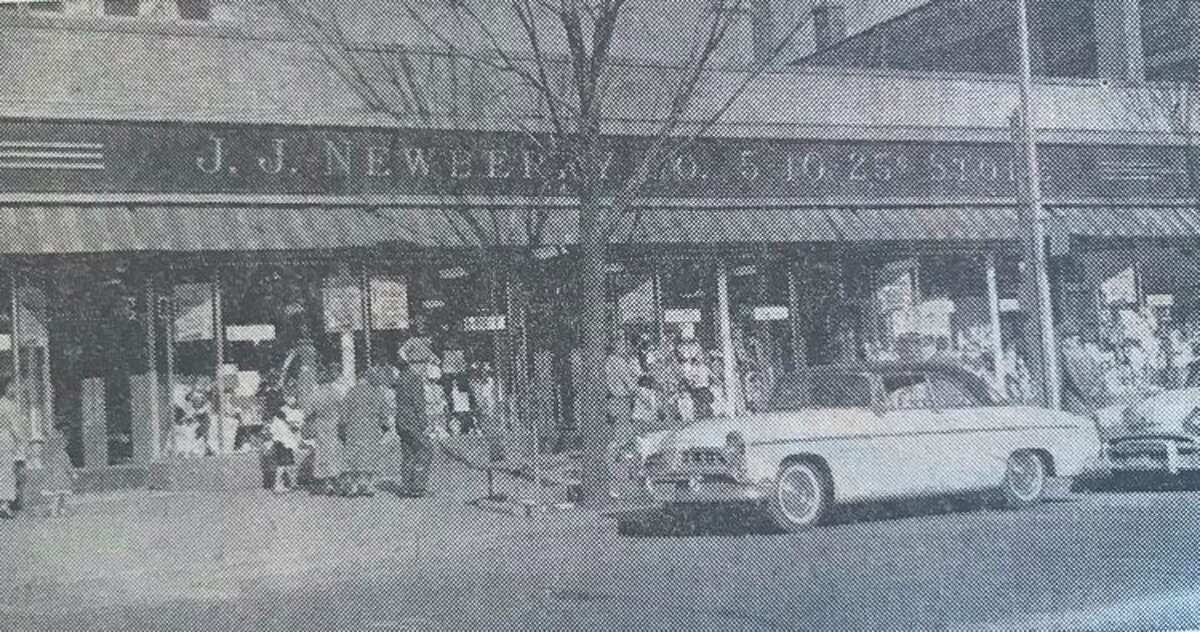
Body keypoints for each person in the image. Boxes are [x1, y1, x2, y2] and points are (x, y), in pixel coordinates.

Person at [338, 366, 394, 497]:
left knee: (353, 455)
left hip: (354, 428)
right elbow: (384, 413)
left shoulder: (351, 392)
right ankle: (368, 485)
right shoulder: (377, 393)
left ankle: (353, 486)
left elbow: (343, 414)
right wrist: (385, 427)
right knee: (370, 455)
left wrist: (342, 429)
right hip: (371, 428)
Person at [393, 355, 433, 497]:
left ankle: (406, 487)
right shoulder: (415, 378)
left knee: (408, 454)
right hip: (413, 422)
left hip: (401, 422)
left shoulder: (400, 379)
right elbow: (418, 404)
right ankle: (418, 487)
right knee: (425, 450)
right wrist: (424, 425)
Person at [305, 369, 344, 495]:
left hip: (320, 425)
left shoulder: (315, 394)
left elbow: (308, 412)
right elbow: (343, 408)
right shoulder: (335, 392)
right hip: (334, 424)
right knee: (334, 452)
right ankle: (336, 481)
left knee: (323, 453)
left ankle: (327, 483)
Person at [269, 391, 305, 494]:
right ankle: (277, 485)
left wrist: (296, 426)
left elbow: (298, 425)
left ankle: (293, 483)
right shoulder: (282, 411)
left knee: (290, 462)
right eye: (289, 397)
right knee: (282, 463)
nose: (291, 399)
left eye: (293, 397)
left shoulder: (296, 411)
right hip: (282, 440)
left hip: (288, 441)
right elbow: (277, 427)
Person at [0, 376, 22, 518]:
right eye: (12, 386)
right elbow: (15, 427)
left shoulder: (2, 403)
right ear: (6, 387)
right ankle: (5, 505)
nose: (14, 389)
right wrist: (21, 440)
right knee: (7, 471)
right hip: (7, 438)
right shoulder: (8, 405)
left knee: (3, 470)